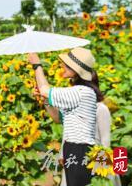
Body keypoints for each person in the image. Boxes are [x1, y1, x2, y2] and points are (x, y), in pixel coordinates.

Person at [28, 47, 98, 186]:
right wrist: (46, 100)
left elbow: (44, 89)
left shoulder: (79, 92)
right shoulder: (82, 92)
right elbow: (58, 118)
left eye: (65, 64)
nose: (62, 66)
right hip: (78, 149)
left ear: (75, 69)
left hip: (79, 150)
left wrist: (37, 65)